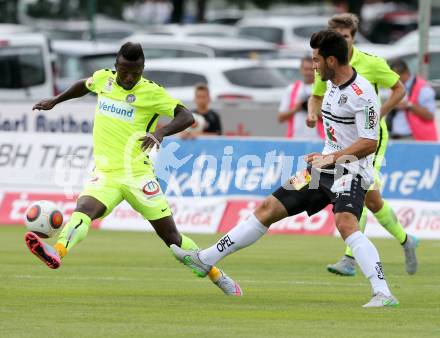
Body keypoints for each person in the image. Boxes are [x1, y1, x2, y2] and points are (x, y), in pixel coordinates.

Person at [171, 30, 399, 308]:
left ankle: (383, 293)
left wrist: (333, 157)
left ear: (331, 60)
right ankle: (205, 259)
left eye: (316, 60)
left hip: (351, 171)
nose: (312, 65)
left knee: (346, 223)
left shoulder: (362, 94)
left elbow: (368, 143)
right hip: (323, 167)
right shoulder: (329, 86)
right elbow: (339, 133)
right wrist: (325, 154)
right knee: (268, 207)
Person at [24, 42, 242, 297]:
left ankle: (217, 275)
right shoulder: (104, 78)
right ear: (116, 65)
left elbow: (186, 117)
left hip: (138, 176)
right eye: (124, 71)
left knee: (173, 239)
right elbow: (84, 84)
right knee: (83, 210)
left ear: (142, 69)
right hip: (106, 173)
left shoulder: (152, 92)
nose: (129, 78)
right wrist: (55, 100)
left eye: (135, 73)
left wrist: (160, 132)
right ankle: (57, 251)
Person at [308, 13, 418, 276]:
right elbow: (316, 95)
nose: (342, 41)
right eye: (338, 37)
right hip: (341, 142)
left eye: (346, 36)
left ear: (353, 37)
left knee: (358, 190)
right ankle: (406, 239)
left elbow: (399, 89)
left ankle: (349, 258)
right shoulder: (327, 63)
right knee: (372, 199)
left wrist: (380, 112)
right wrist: (313, 112)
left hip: (370, 141)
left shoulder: (371, 63)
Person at [388, 59, 438, 141]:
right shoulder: (395, 87)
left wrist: (408, 105)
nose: (393, 80)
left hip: (413, 138)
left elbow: (430, 116)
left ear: (405, 73)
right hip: (393, 137)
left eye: (395, 77)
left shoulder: (423, 88)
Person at [278, 55, 324, 140]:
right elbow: (280, 118)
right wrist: (295, 109)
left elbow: (332, 119)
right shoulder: (291, 89)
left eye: (311, 69)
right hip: (295, 139)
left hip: (319, 139)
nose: (309, 72)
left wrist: (314, 110)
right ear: (301, 69)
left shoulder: (324, 88)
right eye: (306, 69)